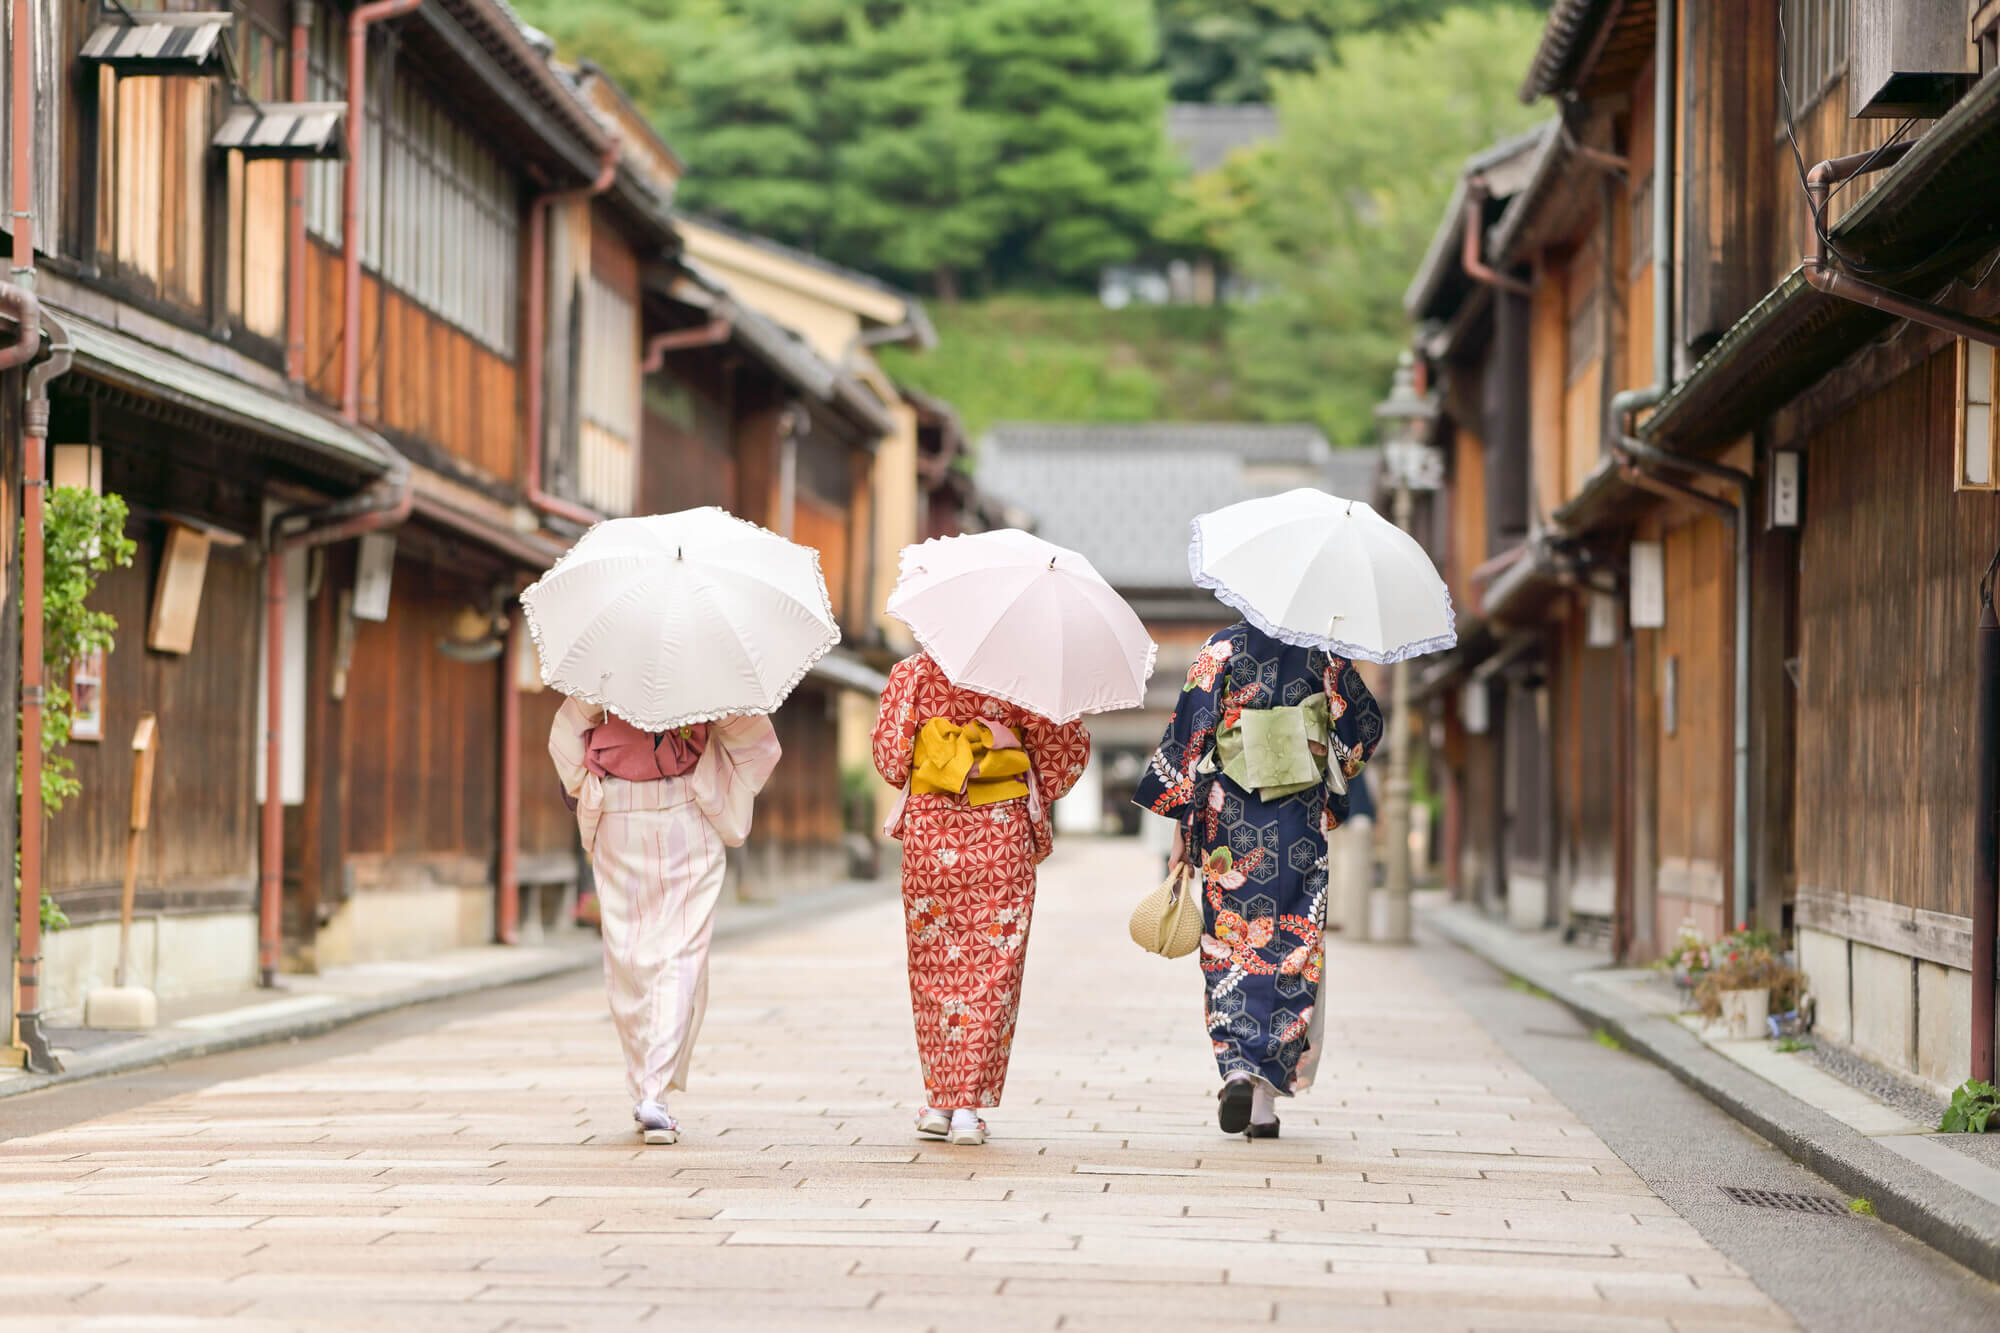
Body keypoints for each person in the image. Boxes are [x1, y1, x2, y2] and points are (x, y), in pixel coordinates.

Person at [1133, 622, 1383, 1139]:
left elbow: (1191, 739)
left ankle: (1237, 1068)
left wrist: (1184, 827)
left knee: (1233, 944)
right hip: (1299, 823)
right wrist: (1316, 754)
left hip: (1233, 825)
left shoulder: (1222, 647)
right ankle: (1265, 1104)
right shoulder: (1327, 652)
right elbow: (1362, 735)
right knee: (1293, 944)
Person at [871, 651, 1092, 1145]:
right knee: (993, 968)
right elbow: (1062, 754)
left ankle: (937, 1103)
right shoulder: (1023, 669)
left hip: (933, 833)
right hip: (1000, 832)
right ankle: (967, 1109)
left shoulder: (912, 672)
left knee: (934, 967)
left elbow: (889, 760)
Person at [549, 699, 781, 1145]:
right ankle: (653, 1094)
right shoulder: (708, 675)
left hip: (618, 812)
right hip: (688, 813)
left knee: (627, 950)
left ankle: (643, 1086)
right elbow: (759, 747)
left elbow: (564, 740)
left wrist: (591, 781)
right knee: (681, 951)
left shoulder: (605, 669)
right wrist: (709, 759)